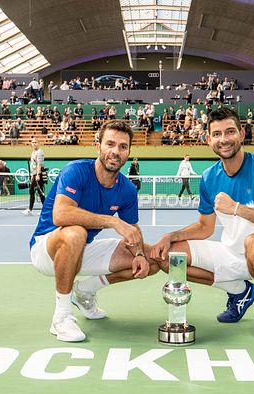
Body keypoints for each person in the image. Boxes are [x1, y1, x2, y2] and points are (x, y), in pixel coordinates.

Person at [151, 107, 254, 338]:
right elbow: (204, 227)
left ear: (241, 133)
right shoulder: (209, 177)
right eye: (217, 134)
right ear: (208, 139)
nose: (224, 139)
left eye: (230, 132)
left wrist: (237, 209)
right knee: (170, 257)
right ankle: (240, 292)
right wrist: (171, 237)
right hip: (232, 254)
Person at [29, 120, 158, 342]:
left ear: (128, 152)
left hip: (82, 250)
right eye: (110, 144)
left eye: (122, 146)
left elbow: (132, 230)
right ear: (97, 146)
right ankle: (61, 317)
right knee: (76, 232)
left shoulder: (127, 189)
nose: (115, 151)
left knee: (152, 258)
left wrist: (138, 254)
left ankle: (85, 291)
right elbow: (61, 215)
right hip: (48, 249)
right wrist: (112, 222)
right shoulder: (76, 171)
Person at [23, 138, 46, 215]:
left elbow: (39, 164)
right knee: (32, 191)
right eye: (33, 142)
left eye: (35, 142)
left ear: (38, 143)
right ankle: (30, 209)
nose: (34, 143)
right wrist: (32, 175)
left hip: (38, 175)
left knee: (39, 192)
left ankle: (44, 209)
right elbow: (33, 165)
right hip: (34, 174)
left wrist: (38, 175)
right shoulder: (33, 153)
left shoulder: (40, 152)